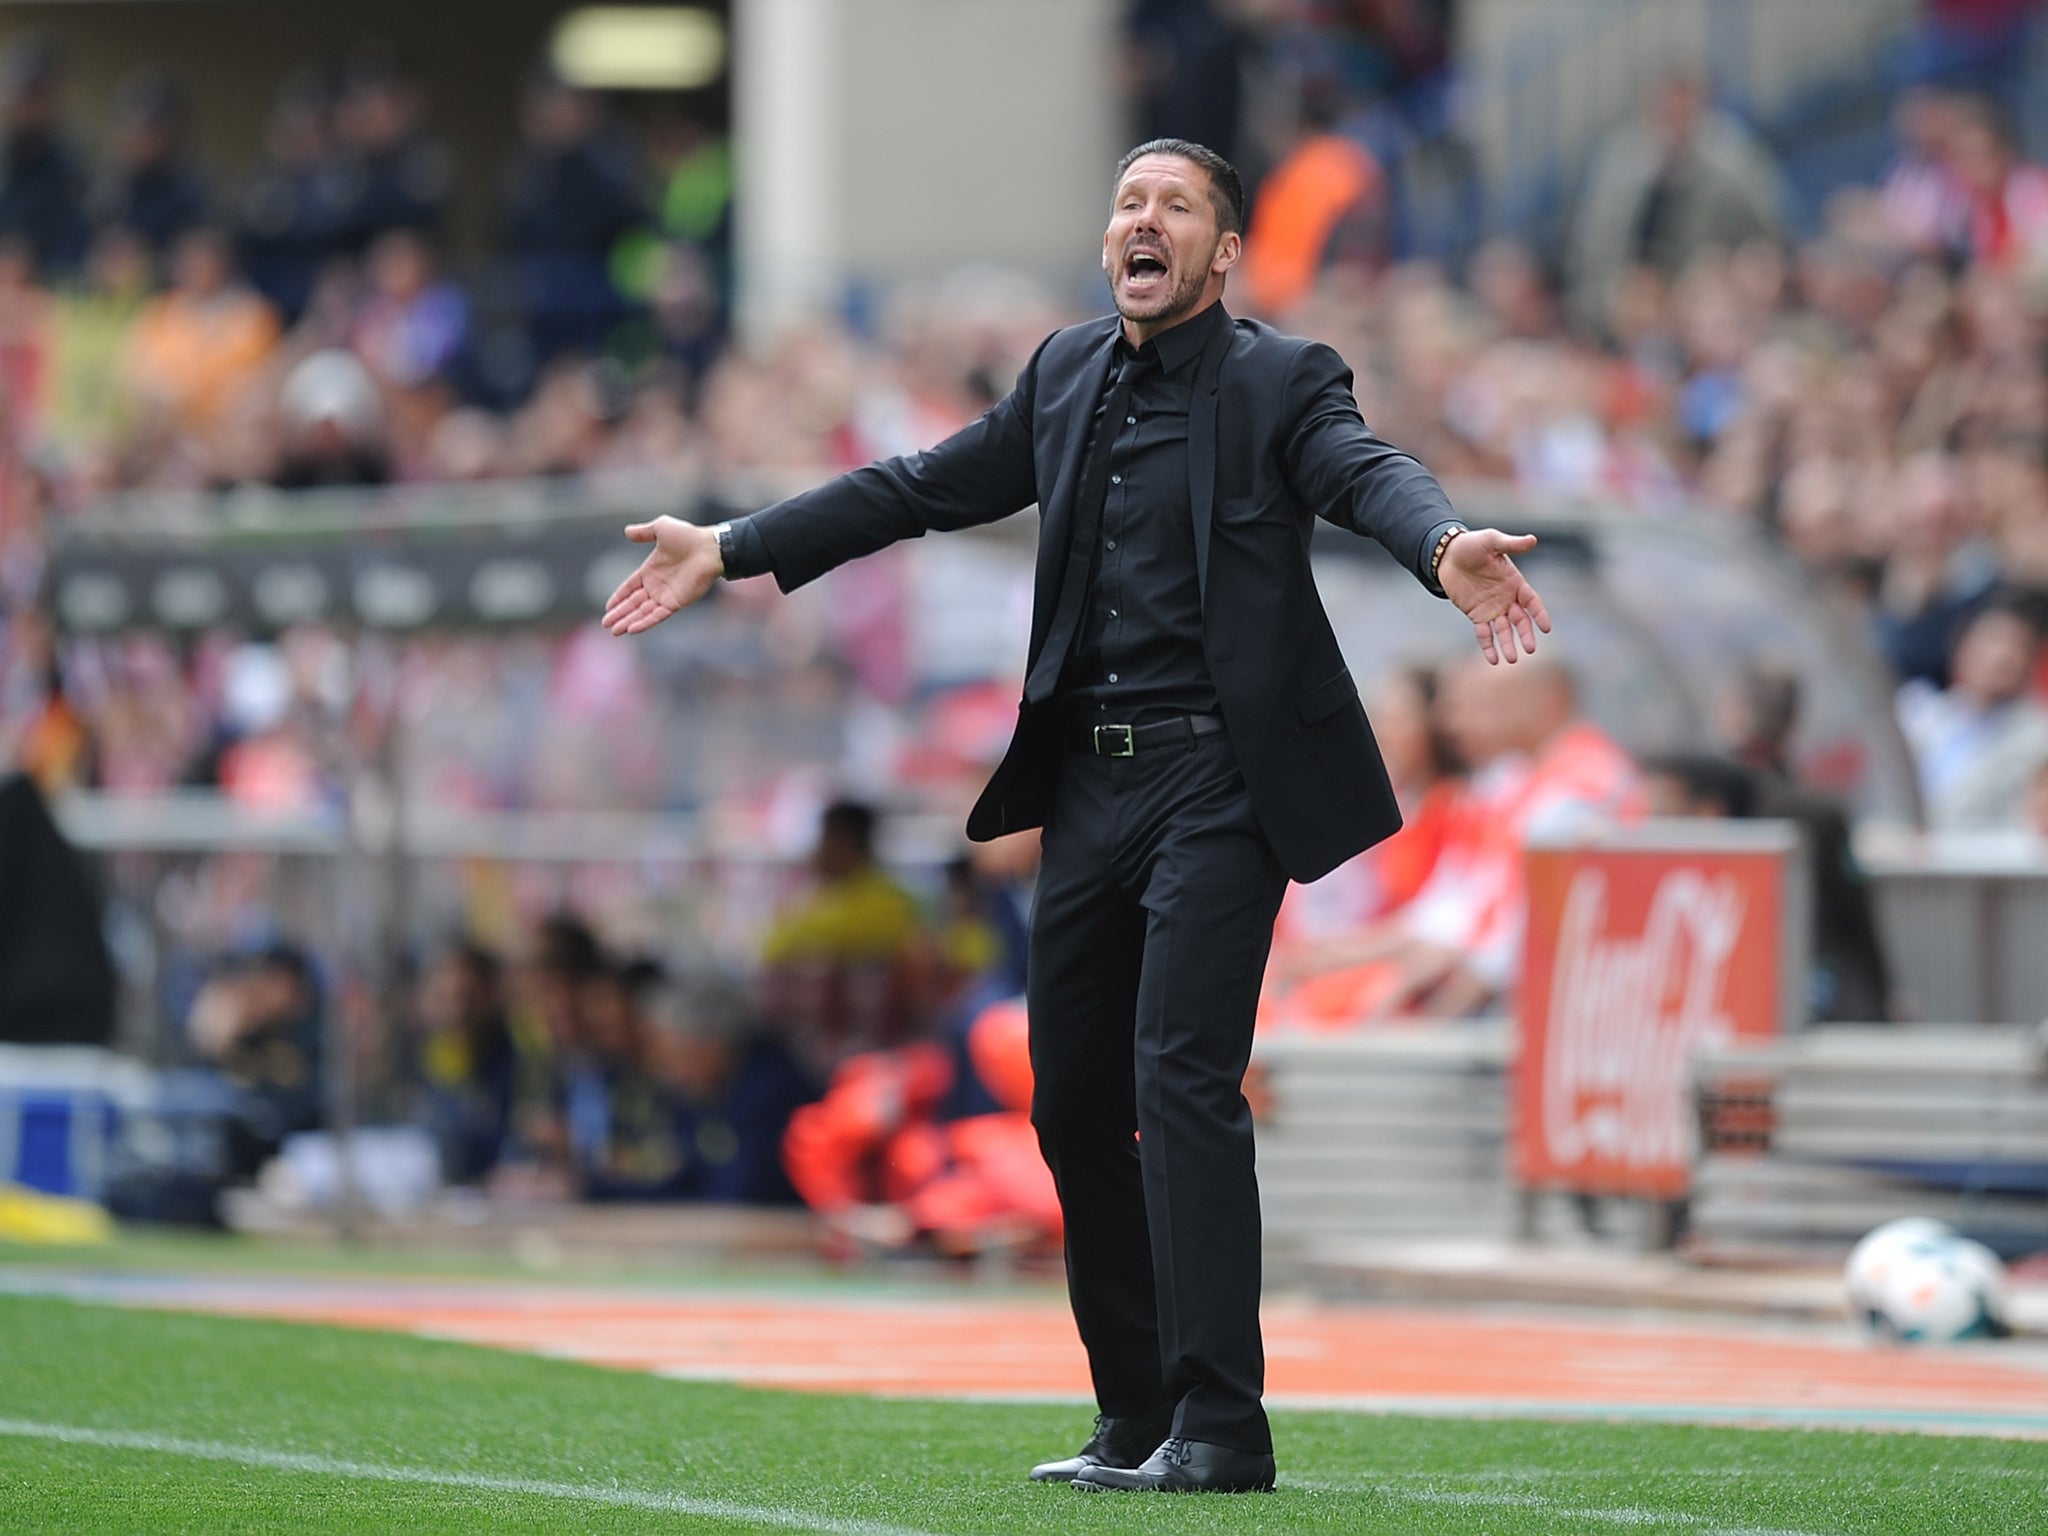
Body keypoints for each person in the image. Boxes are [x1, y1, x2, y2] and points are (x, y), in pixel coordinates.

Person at [601, 138, 1549, 1494]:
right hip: (1093, 788)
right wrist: (734, 545)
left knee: (1182, 1075)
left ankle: (1223, 1425)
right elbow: (918, 486)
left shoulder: (1283, 377)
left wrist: (1443, 545)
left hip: (1224, 782)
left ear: (1223, 255)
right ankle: (1135, 1413)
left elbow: (1364, 468)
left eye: (1173, 206)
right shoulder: (1062, 374)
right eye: (1127, 203)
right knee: (1070, 1100)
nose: (1141, 221)